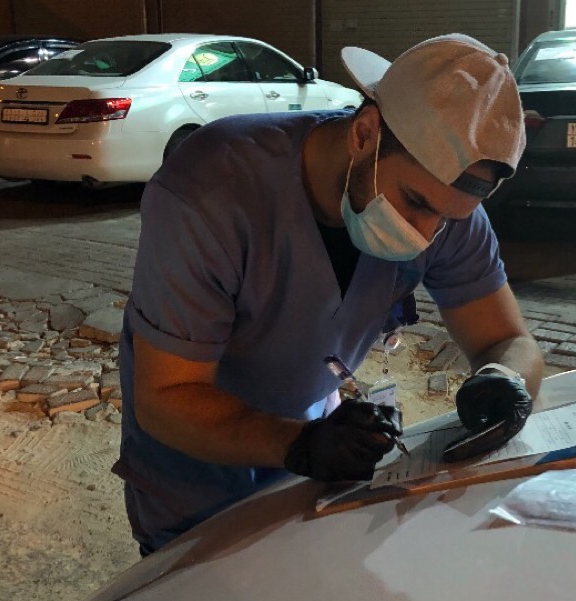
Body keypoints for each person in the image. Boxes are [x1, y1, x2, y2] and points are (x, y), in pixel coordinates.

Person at [112, 34, 545, 555]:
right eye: (414, 202)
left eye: (448, 219)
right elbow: (166, 397)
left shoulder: (448, 210)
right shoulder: (210, 192)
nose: (425, 234)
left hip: (315, 462)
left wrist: (505, 380)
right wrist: (295, 443)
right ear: (365, 133)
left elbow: (508, 341)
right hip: (197, 474)